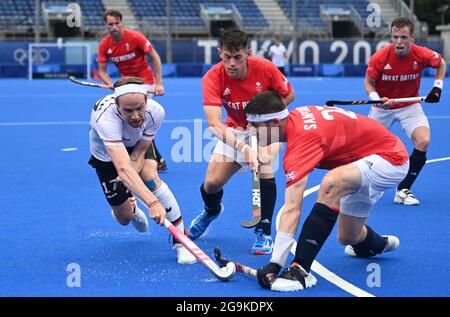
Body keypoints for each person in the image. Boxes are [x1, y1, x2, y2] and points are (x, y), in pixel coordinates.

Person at [244, 91, 409, 292]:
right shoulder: (293, 118)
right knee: (348, 237)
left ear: (275, 123)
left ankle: (301, 270)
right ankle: (377, 244)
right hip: (359, 162)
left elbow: (292, 209)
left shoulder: (302, 141)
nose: (250, 132)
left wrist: (276, 262)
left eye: (255, 126)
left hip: (389, 158)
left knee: (331, 183)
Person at [188, 29, 295, 255]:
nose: (232, 63)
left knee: (264, 166)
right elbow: (215, 124)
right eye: (227, 57)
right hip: (235, 130)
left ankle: (264, 232)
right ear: (220, 53)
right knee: (212, 184)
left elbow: (289, 95)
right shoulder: (213, 77)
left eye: (238, 57)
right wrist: (243, 146)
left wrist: (264, 120)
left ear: (248, 53)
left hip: (267, 127)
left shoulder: (265, 68)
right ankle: (211, 210)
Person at [88, 77, 196, 265]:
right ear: (117, 105)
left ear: (146, 100)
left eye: (140, 108)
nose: (136, 116)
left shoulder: (156, 112)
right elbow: (122, 167)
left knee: (150, 176)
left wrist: (139, 188)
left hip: (136, 145)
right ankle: (133, 207)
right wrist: (151, 203)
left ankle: (181, 242)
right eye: (128, 110)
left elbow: (138, 154)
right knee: (124, 218)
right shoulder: (106, 119)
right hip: (106, 155)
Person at [365, 17, 446, 206]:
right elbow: (368, 82)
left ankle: (402, 189)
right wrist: (376, 97)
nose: (399, 42)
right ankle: (362, 185)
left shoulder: (421, 54)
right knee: (366, 149)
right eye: (395, 37)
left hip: (410, 105)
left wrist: (437, 87)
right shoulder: (380, 57)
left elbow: (441, 64)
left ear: (412, 37)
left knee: (423, 141)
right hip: (382, 108)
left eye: (403, 37)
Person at [97, 9, 167, 171]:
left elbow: (155, 57)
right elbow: (102, 71)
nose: (114, 27)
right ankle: (153, 157)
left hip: (145, 82)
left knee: (141, 121)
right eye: (110, 24)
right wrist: (112, 85)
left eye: (116, 23)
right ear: (106, 25)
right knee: (132, 122)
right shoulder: (104, 45)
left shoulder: (135, 37)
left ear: (121, 23)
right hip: (125, 86)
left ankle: (152, 158)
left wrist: (159, 83)